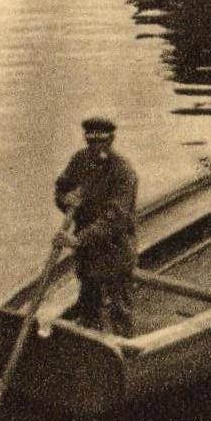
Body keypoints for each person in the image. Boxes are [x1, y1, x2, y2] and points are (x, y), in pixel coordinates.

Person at [54, 116, 138, 336]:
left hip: (114, 250)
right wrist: (65, 199)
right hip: (87, 252)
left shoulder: (123, 172)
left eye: (101, 141)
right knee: (88, 306)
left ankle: (126, 351)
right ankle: (89, 345)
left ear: (111, 140)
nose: (95, 147)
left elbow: (115, 218)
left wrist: (79, 239)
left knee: (119, 309)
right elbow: (61, 188)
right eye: (90, 141)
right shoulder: (79, 161)